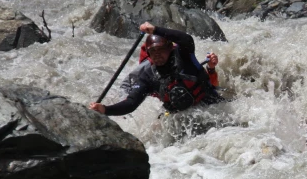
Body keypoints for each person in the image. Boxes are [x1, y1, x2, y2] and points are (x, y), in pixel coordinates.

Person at [89, 22, 223, 116]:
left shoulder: (184, 57)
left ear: (170, 48)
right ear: (148, 53)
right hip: (182, 117)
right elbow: (131, 103)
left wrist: (155, 30)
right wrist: (105, 109)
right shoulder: (148, 76)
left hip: (211, 107)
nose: (157, 54)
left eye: (161, 49)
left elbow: (186, 39)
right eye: (153, 51)